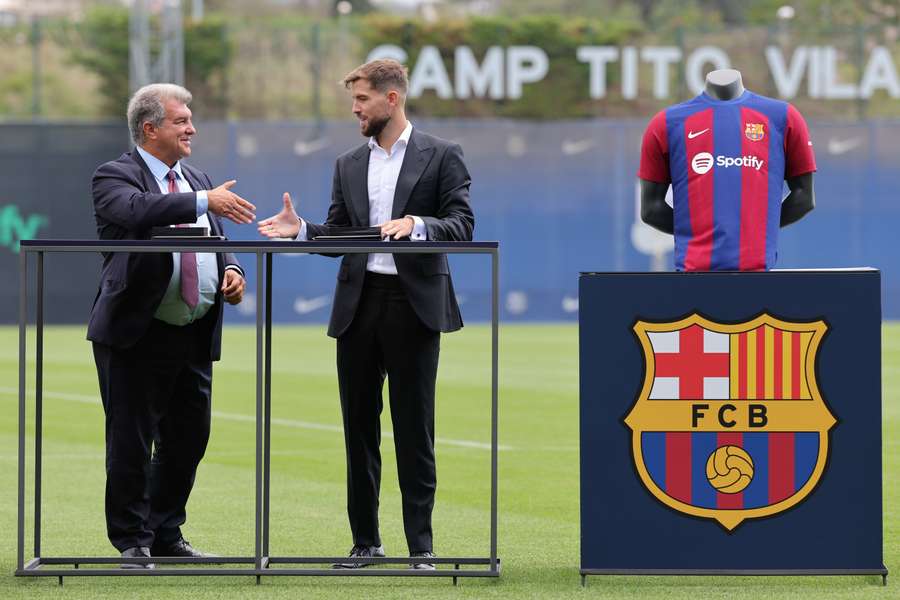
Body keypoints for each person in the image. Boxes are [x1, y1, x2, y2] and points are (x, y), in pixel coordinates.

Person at [257, 59, 474, 569]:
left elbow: (462, 224)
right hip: (358, 306)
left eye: (362, 100)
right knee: (358, 429)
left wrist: (417, 223)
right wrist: (304, 231)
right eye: (352, 100)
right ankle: (366, 544)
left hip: (414, 306)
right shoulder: (348, 163)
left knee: (414, 429)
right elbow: (340, 236)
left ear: (392, 99)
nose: (354, 109)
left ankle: (422, 548)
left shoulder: (443, 155)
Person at [88, 83, 256, 568]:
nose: (192, 128)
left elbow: (217, 238)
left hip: (194, 329)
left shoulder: (197, 179)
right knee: (131, 440)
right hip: (136, 332)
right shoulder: (114, 176)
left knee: (188, 439)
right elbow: (137, 212)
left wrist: (232, 270)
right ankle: (131, 540)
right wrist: (204, 200)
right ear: (150, 128)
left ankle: (165, 533)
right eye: (181, 120)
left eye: (190, 119)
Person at [638, 69, 816, 271]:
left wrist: (754, 231)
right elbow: (651, 208)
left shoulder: (783, 117)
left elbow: (804, 197)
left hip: (757, 276)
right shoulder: (665, 124)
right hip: (693, 278)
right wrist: (699, 233)